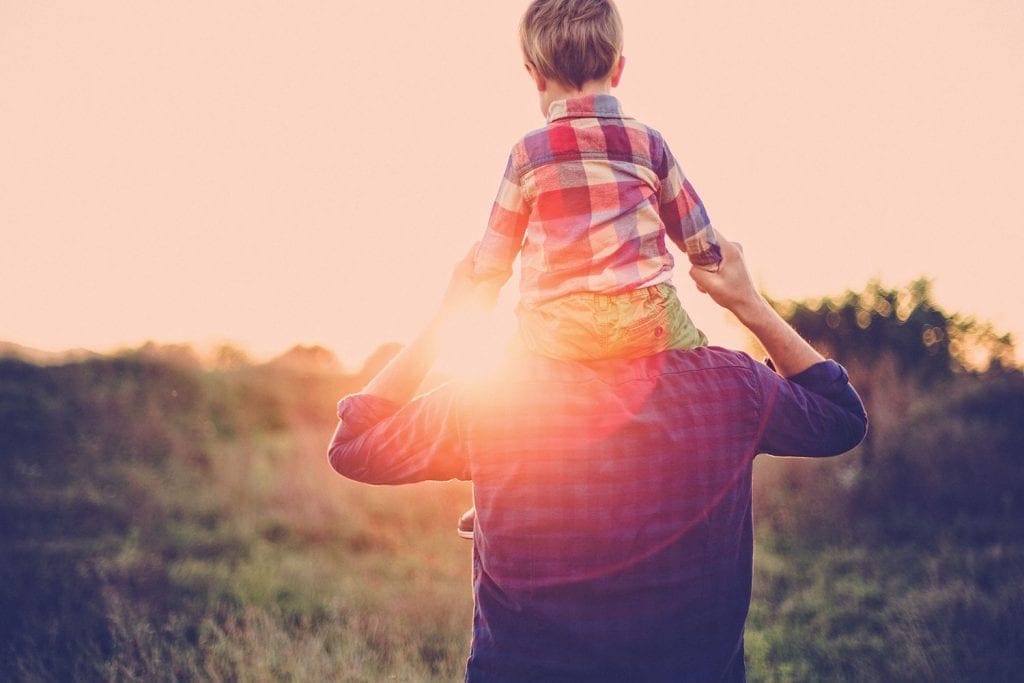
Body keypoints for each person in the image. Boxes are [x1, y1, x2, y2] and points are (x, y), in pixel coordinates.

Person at [328, 237, 868, 681]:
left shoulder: (494, 394)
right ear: (656, 280)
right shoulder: (731, 385)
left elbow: (354, 446)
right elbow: (840, 417)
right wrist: (746, 301)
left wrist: (451, 316)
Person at [462, 0, 722, 537]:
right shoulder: (650, 144)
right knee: (705, 361)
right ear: (619, 68)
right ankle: (705, 461)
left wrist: (479, 293)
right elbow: (696, 232)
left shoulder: (528, 154)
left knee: (503, 392)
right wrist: (709, 258)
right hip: (647, 317)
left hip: (556, 328)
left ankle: (488, 488)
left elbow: (495, 254)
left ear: (534, 76)